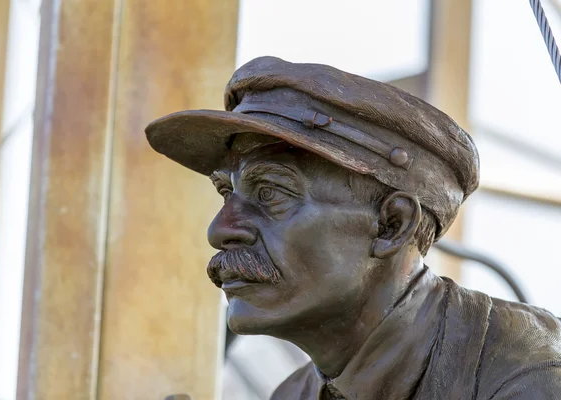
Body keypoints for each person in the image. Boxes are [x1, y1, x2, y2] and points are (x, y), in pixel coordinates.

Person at [145, 56, 561, 399]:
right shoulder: (294, 394)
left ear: (391, 226)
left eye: (271, 193)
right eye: (226, 194)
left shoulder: (528, 378)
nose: (220, 230)